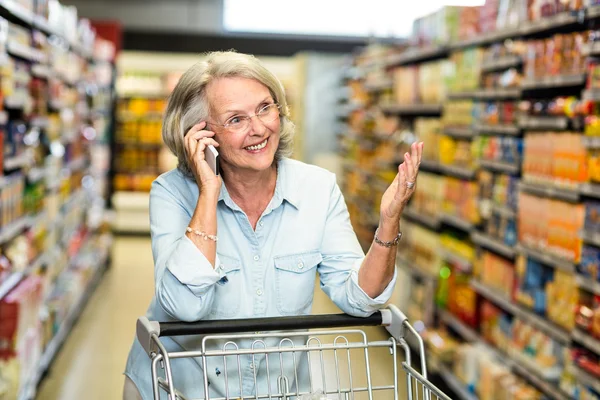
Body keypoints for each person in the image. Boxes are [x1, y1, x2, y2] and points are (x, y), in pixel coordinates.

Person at [123, 50, 423, 400]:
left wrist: (388, 223)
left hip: (278, 390)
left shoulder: (317, 188)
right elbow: (185, 306)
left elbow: (359, 299)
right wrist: (208, 192)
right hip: (180, 388)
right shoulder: (171, 193)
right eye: (236, 119)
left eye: (265, 108)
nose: (259, 128)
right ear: (200, 135)